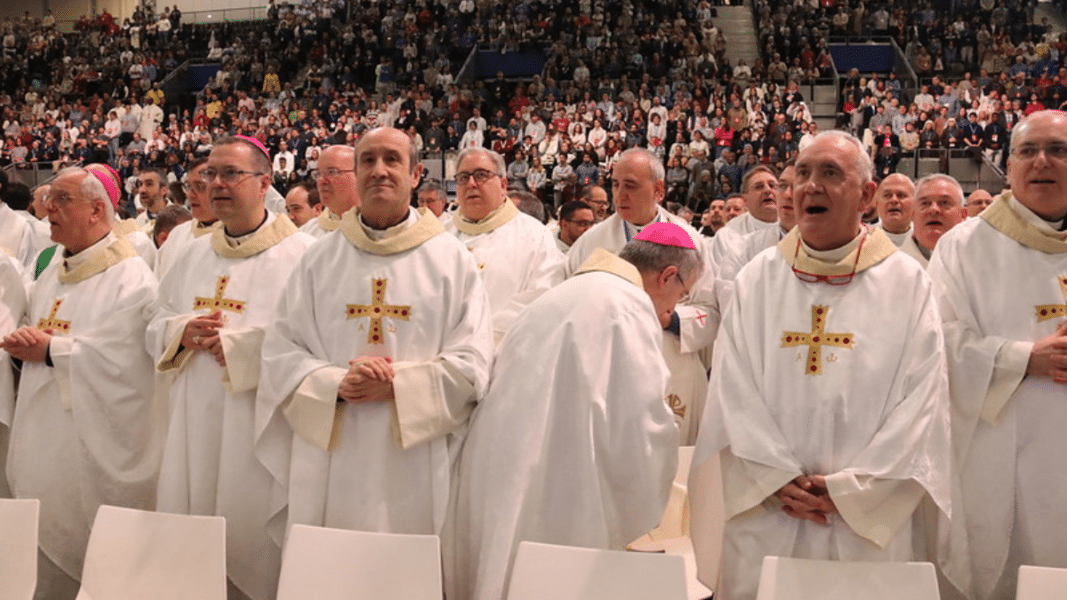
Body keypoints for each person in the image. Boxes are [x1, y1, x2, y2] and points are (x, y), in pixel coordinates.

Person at [691, 131, 954, 600]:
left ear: (867, 196)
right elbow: (732, 388)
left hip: (868, 515)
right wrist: (774, 478)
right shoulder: (759, 279)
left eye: (831, 174)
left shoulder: (907, 283)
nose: (810, 186)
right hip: (771, 506)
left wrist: (856, 491)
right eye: (804, 174)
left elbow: (924, 400)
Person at [256, 127, 493, 581]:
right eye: (367, 160)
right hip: (330, 450)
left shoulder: (450, 260)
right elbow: (280, 351)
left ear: (415, 173)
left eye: (391, 159)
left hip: (413, 460)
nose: (379, 170)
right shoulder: (319, 258)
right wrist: (335, 385)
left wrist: (397, 386)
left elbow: (474, 364)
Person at [446, 223, 701, 600]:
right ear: (667, 275)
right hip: (563, 485)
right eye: (681, 294)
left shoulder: (561, 293)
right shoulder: (629, 306)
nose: (671, 310)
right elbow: (642, 424)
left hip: (496, 468)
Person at [146, 136, 314, 600]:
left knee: (251, 540)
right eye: (208, 175)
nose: (216, 184)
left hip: (259, 422)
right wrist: (180, 332)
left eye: (230, 174)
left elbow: (317, 346)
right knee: (194, 545)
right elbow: (155, 322)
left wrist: (245, 348)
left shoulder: (302, 257)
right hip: (194, 419)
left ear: (264, 183)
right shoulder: (192, 253)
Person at [3, 166, 164, 600]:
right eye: (49, 199)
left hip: (96, 445)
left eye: (62, 200)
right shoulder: (55, 265)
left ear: (97, 209)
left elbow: (131, 364)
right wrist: (25, 342)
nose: (48, 209)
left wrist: (53, 352)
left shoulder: (132, 279)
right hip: (43, 431)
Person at [929, 110, 1067, 600]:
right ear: (1008, 167)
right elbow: (939, 342)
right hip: (1000, 453)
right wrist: (1023, 358)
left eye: (1058, 150)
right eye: (1028, 151)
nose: (1042, 162)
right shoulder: (964, 247)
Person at [567, 148, 717, 444]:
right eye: (615, 185)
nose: (619, 195)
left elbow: (710, 311)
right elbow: (567, 300)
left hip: (672, 364)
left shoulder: (691, 241)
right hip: (607, 365)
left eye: (631, 185)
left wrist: (671, 319)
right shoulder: (591, 243)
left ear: (658, 190)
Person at [444, 147, 565, 344]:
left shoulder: (535, 235)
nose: (471, 183)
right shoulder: (440, 235)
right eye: (463, 177)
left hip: (506, 351)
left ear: (503, 184)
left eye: (481, 175)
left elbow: (542, 298)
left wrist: (478, 341)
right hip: (444, 355)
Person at [154, 158, 219, 278]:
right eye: (188, 186)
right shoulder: (177, 235)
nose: (189, 194)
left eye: (199, 186)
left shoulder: (237, 236)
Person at [899, 174, 967, 268]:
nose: (934, 209)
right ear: (913, 214)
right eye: (925, 203)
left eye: (944, 203)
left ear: (963, 215)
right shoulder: (892, 267)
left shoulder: (977, 262)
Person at [303, 145, 358, 238]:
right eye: (318, 174)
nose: (321, 180)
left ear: (360, 174)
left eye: (332, 172)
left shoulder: (380, 228)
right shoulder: (307, 233)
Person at [873, 173, 916, 246]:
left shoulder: (925, 241)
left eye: (901, 195)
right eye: (887, 195)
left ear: (915, 203)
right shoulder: (865, 241)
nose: (894, 200)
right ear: (877, 204)